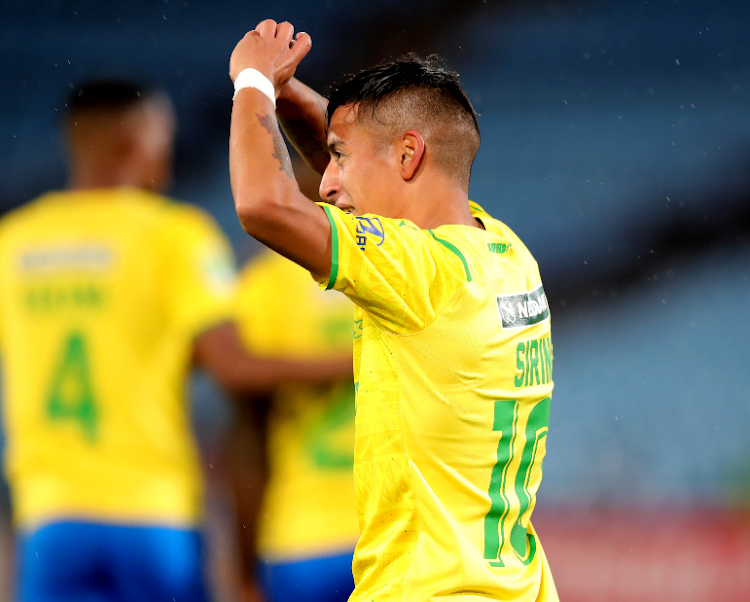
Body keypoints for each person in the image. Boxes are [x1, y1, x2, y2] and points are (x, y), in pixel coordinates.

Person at [227, 20, 558, 602]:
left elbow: (263, 204)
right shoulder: (505, 252)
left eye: (337, 158)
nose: (325, 184)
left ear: (409, 154)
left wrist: (251, 81)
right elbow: (360, 175)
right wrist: (290, 94)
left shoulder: (418, 272)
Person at [0, 80, 350, 602]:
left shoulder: (14, 242)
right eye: (163, 139)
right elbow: (233, 367)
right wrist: (359, 360)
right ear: (134, 142)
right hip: (151, 509)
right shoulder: (175, 236)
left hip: (49, 514)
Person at [231, 160, 358, 602]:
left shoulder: (266, 285)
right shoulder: (406, 269)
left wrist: (243, 570)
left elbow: (248, 441)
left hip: (303, 543)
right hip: (399, 539)